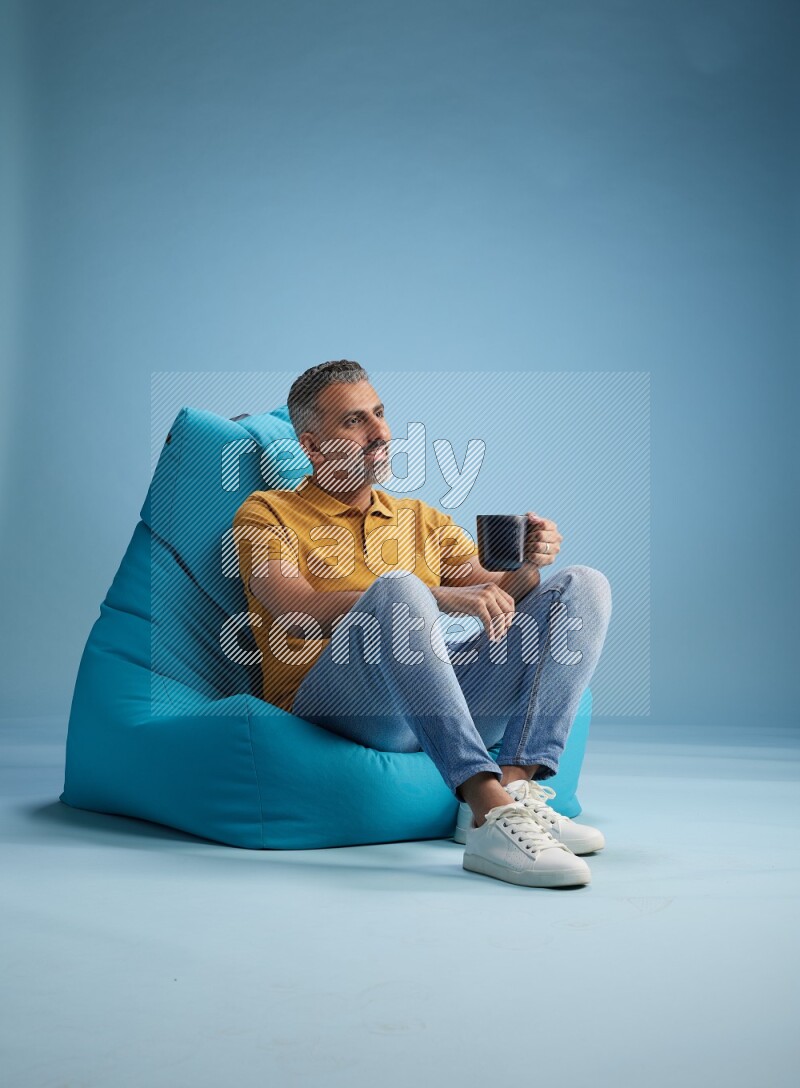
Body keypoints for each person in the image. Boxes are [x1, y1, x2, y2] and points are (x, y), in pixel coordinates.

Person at [232, 360, 613, 889]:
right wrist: (434, 596)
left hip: (430, 700)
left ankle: (513, 790)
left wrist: (530, 561)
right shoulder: (266, 512)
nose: (380, 433)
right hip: (338, 702)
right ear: (313, 447)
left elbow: (499, 593)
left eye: (379, 413)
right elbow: (292, 608)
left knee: (583, 584)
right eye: (354, 421)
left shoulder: (419, 518)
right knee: (398, 589)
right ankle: (487, 810)